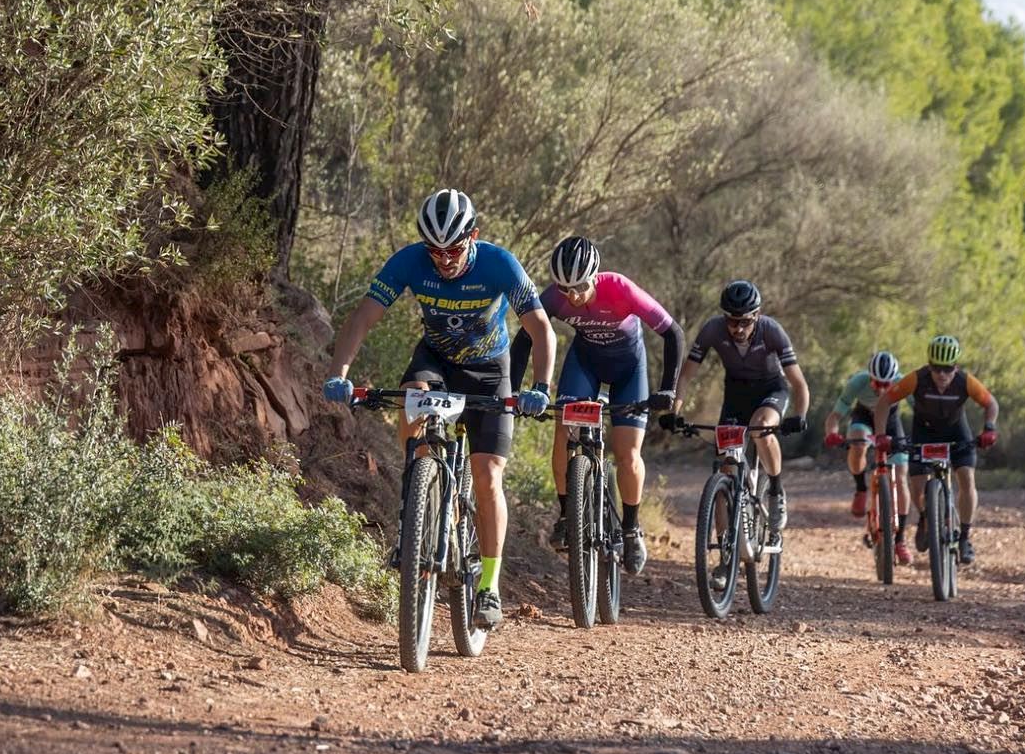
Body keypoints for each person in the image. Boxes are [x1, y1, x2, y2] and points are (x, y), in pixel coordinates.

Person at [323, 189, 556, 630]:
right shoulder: (409, 261)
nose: (444, 260)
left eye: (453, 249)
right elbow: (363, 317)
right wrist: (340, 372)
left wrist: (540, 387)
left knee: (487, 476)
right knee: (412, 392)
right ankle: (417, 494)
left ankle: (488, 586)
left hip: (490, 369)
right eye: (434, 251)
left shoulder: (499, 264)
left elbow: (541, 328)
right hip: (437, 361)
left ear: (474, 236)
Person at [509, 236, 685, 575]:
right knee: (564, 431)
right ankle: (566, 514)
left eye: (580, 286)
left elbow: (673, 332)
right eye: (565, 288)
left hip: (629, 370)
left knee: (627, 455)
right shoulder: (553, 298)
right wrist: (516, 391)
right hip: (585, 363)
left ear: (595, 275)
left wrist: (667, 390)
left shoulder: (619, 288)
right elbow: (524, 339)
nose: (573, 296)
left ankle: (632, 529)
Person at [664, 280, 810, 589]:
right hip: (736, 396)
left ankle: (775, 491)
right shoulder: (713, 330)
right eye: (732, 320)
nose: (738, 328)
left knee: (760, 430)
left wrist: (800, 416)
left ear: (756, 316)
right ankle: (725, 557)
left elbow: (798, 383)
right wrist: (674, 412)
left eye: (745, 321)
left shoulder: (771, 331)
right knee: (724, 468)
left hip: (771, 391)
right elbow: (687, 374)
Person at [872, 334, 998, 565]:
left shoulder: (965, 381)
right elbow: (884, 402)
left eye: (947, 369)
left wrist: (989, 428)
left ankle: (965, 538)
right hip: (924, 432)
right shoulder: (916, 379)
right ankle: (925, 516)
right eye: (936, 368)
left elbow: (990, 403)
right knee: (917, 486)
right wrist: (881, 436)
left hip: (957, 432)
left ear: (956, 367)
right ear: (929, 365)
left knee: (966, 479)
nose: (942, 374)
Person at [823, 350, 913, 565]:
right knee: (858, 441)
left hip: (890, 420)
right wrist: (832, 433)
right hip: (863, 417)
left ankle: (900, 540)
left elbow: (920, 409)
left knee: (901, 476)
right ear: (869, 377)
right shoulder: (858, 382)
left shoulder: (904, 383)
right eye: (877, 383)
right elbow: (836, 414)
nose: (882, 389)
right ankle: (861, 488)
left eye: (886, 384)